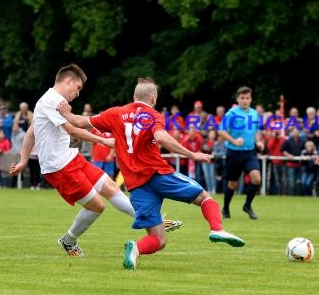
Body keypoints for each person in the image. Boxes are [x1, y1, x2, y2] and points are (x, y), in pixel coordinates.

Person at [57, 77, 245, 270]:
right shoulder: (153, 115)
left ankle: (135, 249)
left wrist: (65, 113)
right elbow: (161, 136)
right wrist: (191, 154)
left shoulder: (115, 113)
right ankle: (217, 229)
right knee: (204, 198)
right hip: (158, 174)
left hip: (137, 187)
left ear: (134, 96)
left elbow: (80, 121)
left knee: (158, 238)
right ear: (153, 98)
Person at [10, 64, 180, 258]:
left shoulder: (50, 100)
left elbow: (32, 132)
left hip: (71, 157)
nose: (77, 94)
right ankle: (68, 240)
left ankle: (153, 219)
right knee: (97, 206)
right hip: (59, 166)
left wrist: (23, 160)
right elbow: (72, 130)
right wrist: (104, 140)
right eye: (78, 88)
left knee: (111, 187)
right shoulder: (51, 100)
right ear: (68, 81)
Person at [218, 86, 265, 220]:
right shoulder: (231, 113)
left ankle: (247, 206)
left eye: (248, 98)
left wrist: (259, 142)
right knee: (233, 183)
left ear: (251, 99)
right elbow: (221, 131)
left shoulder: (254, 113)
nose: (245, 100)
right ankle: (226, 208)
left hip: (250, 152)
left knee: (257, 179)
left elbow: (255, 131)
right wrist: (234, 140)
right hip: (234, 152)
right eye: (242, 98)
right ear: (238, 99)